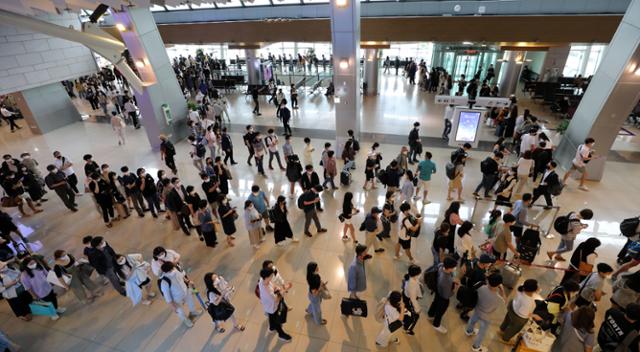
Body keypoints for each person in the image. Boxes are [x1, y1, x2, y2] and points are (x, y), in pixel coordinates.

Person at [465, 273, 506, 352]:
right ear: (499, 285)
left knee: (472, 320)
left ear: (488, 280)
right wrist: (503, 291)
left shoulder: (480, 287)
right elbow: (504, 302)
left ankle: (469, 331)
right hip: (486, 315)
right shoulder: (498, 298)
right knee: (482, 331)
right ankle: (476, 346)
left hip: (477, 309)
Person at [21, 256, 66, 321]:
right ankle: (53, 314)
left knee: (53, 298)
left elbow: (47, 274)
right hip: (40, 292)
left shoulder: (39, 267)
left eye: (34, 262)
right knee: (48, 303)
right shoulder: (24, 276)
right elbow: (28, 288)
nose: (33, 264)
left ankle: (56, 308)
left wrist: (53, 281)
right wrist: (34, 295)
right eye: (31, 264)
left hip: (48, 287)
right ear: (26, 265)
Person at [159, 262, 202, 328]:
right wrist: (173, 306)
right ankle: (186, 320)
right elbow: (167, 296)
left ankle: (193, 311)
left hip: (185, 290)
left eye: (173, 268)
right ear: (167, 271)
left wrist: (188, 281)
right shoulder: (164, 282)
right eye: (171, 269)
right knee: (180, 311)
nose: (173, 269)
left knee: (191, 302)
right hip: (176, 298)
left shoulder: (175, 270)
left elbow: (182, 276)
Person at [499, 279, 542, 344]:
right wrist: (535, 315)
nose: (539, 287)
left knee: (507, 320)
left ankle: (502, 330)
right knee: (514, 328)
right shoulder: (528, 302)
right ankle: (505, 339)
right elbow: (523, 313)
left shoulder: (521, 288)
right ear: (533, 290)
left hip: (512, 306)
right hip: (518, 316)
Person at [258, 267, 292, 342]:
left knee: (271, 316)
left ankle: (272, 328)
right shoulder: (268, 291)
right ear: (267, 277)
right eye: (271, 276)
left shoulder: (262, 280)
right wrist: (286, 289)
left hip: (268, 305)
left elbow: (272, 284)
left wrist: (277, 288)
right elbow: (277, 298)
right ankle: (281, 334)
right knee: (276, 320)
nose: (272, 277)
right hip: (272, 306)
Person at [428, 256, 458, 333]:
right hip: (443, 297)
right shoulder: (447, 280)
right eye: (454, 267)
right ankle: (436, 325)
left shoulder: (441, 266)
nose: (455, 268)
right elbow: (447, 295)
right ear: (450, 268)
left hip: (438, 290)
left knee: (435, 302)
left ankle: (430, 314)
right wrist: (455, 289)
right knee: (440, 311)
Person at [402, 265, 422, 335]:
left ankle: (404, 320)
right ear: (415, 275)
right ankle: (407, 329)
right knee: (414, 317)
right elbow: (413, 299)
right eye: (419, 273)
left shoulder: (409, 276)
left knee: (407, 312)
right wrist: (417, 309)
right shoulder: (411, 285)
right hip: (409, 300)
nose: (420, 274)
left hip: (406, 297)